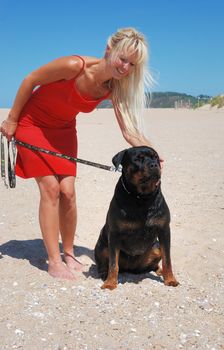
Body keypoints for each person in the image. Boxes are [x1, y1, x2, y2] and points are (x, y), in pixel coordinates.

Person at [0, 27, 157, 280]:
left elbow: (129, 131)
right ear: (109, 49)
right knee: (51, 188)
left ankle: (69, 252)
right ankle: (53, 260)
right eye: (123, 58)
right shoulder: (75, 66)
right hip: (32, 124)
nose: (126, 67)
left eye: (132, 64)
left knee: (68, 193)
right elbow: (31, 79)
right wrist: (12, 119)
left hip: (63, 131)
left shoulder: (113, 87)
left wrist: (152, 153)